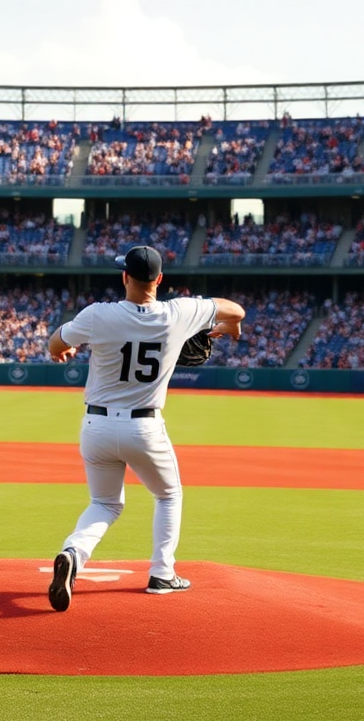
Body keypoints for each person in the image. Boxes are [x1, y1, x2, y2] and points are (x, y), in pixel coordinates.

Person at [44, 245, 245, 612]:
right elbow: (236, 309)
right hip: (144, 428)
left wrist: (63, 350)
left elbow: (56, 343)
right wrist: (230, 324)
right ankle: (162, 573)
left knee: (104, 503)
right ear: (160, 279)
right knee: (168, 495)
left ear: (125, 277)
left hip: (97, 425)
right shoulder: (178, 312)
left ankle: (74, 552)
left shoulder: (97, 315)